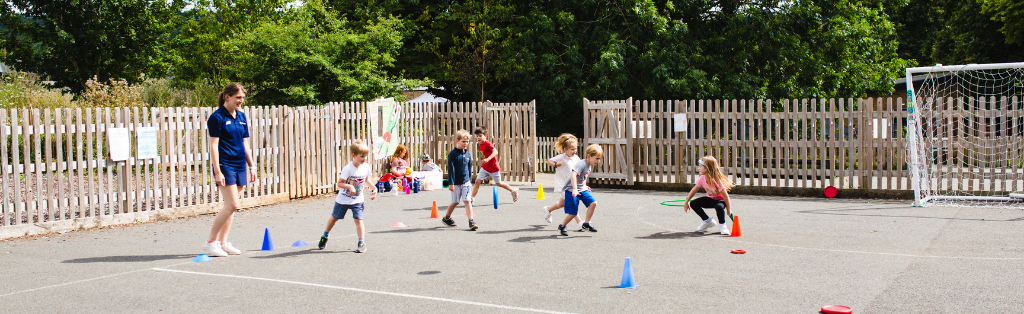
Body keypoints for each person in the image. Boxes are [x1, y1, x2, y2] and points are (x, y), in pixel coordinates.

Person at [203, 83, 256, 257]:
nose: (241, 101)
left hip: (240, 164)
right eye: (238, 97)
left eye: (242, 98)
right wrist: (217, 171)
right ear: (227, 97)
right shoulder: (216, 118)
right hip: (226, 164)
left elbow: (245, 143)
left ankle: (223, 242)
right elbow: (213, 146)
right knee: (233, 204)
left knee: (231, 207)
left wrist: (252, 165)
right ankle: (210, 242)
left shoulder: (241, 117)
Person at [318, 141, 378, 253]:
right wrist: (350, 187)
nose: (364, 159)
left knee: (359, 220)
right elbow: (339, 183)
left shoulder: (365, 167)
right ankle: (325, 235)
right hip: (343, 200)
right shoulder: (348, 169)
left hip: (358, 200)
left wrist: (374, 188)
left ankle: (361, 241)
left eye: (365, 156)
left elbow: (366, 180)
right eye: (361, 156)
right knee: (334, 218)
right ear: (353, 155)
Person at [682, 156, 735, 235]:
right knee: (693, 203)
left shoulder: (717, 180)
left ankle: (722, 225)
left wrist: (728, 210)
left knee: (719, 207)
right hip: (710, 199)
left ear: (707, 168)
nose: (698, 168)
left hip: (720, 200)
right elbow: (694, 189)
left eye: (700, 167)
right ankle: (707, 221)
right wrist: (687, 201)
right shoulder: (702, 178)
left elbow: (725, 195)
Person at [558, 144, 603, 236]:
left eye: (599, 159)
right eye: (597, 158)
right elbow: (573, 175)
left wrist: (584, 186)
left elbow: (582, 177)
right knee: (573, 212)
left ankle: (586, 223)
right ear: (589, 156)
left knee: (593, 203)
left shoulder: (589, 164)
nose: (598, 161)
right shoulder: (582, 164)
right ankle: (562, 226)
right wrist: (575, 189)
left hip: (581, 189)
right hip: (571, 189)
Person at [541, 134, 583, 229]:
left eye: (575, 149)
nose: (574, 151)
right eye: (572, 149)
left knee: (561, 204)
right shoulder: (561, 157)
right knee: (573, 202)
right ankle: (580, 223)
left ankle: (548, 209)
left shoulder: (576, 158)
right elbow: (549, 161)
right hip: (564, 185)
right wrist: (556, 164)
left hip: (573, 185)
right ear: (565, 150)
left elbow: (580, 168)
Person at [469, 126, 519, 203]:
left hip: (493, 168)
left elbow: (495, 152)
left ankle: (513, 190)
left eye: (480, 136)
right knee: (477, 182)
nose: (478, 138)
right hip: (485, 168)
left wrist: (488, 159)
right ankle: (472, 199)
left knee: (498, 184)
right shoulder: (480, 145)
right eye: (477, 136)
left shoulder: (488, 143)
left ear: (485, 136)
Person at [442, 130, 478, 230]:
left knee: (467, 201)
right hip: (456, 183)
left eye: (467, 142)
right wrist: (451, 183)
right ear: (457, 141)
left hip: (465, 182)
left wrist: (470, 181)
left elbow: (469, 168)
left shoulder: (468, 154)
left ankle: (471, 221)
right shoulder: (453, 154)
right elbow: (451, 169)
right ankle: (447, 218)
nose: (465, 144)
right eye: (463, 141)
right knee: (455, 202)